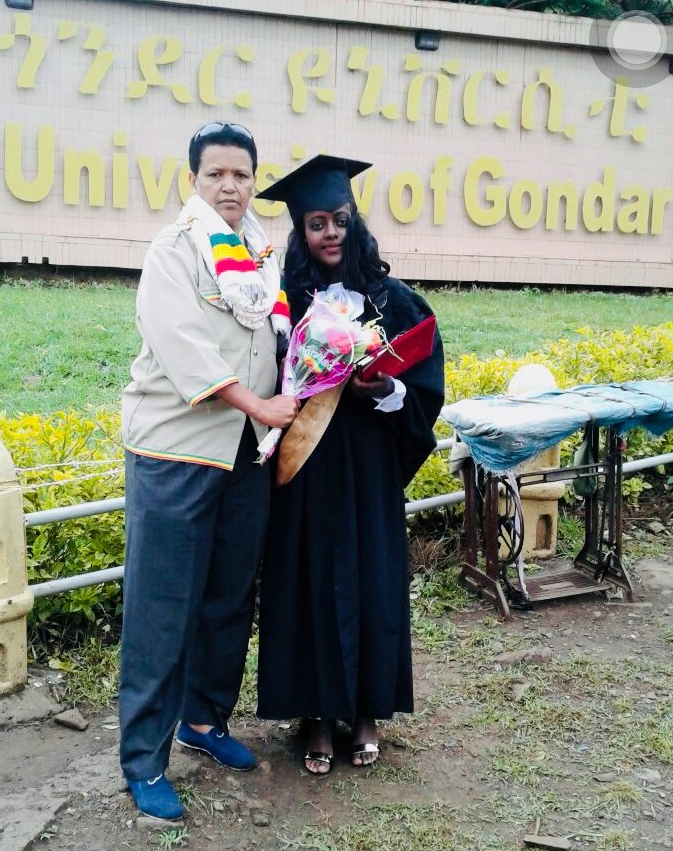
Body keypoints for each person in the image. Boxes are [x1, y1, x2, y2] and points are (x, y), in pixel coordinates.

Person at [119, 122, 299, 820]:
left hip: (244, 452)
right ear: (193, 179)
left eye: (241, 174)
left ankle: (203, 719)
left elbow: (276, 342)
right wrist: (262, 405)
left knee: (228, 595)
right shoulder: (174, 250)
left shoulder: (260, 255)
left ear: (254, 181)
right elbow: (185, 347)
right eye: (216, 174)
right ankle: (144, 758)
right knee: (162, 607)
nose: (230, 186)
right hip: (177, 451)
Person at [256, 155, 445, 775]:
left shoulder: (394, 302)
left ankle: (367, 711)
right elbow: (263, 378)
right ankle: (314, 715)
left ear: (354, 221)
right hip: (307, 470)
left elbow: (424, 388)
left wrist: (385, 389)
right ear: (301, 232)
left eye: (339, 220)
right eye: (317, 224)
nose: (331, 233)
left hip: (368, 468)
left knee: (371, 578)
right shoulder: (283, 306)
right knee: (308, 578)